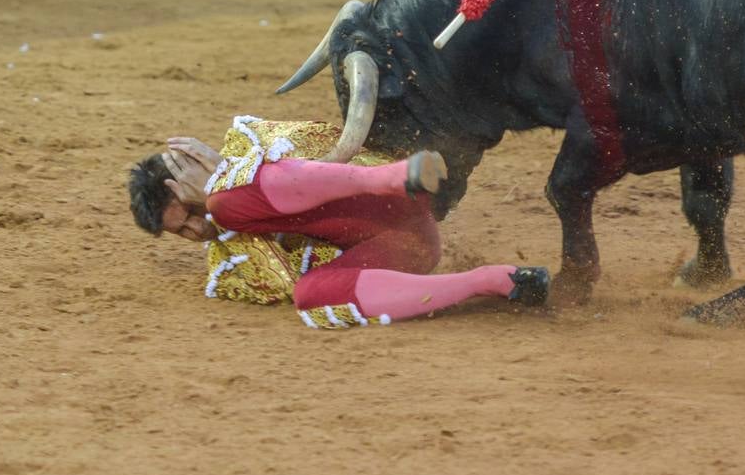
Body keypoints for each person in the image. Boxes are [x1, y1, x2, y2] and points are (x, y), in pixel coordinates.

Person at [127, 116, 551, 330]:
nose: (196, 231)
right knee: (309, 296)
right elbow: (277, 281)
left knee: (227, 202)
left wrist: (226, 181)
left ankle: (393, 176)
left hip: (387, 202)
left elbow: (312, 146)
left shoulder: (247, 154)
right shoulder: (228, 259)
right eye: (181, 233)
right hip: (398, 251)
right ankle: (491, 281)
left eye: (190, 215)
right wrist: (225, 192)